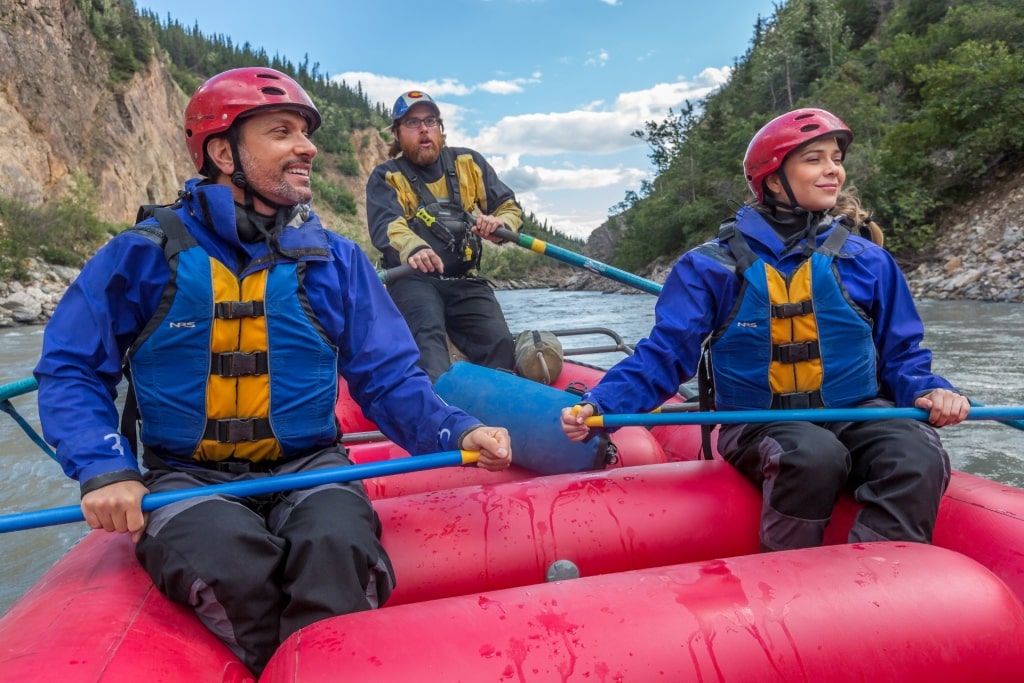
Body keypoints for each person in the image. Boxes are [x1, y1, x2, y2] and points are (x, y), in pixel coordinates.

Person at [33, 67, 511, 675]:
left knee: (337, 547)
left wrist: (456, 430)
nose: (307, 147)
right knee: (231, 565)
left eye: (306, 133)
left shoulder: (335, 260)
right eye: (282, 132)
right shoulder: (143, 255)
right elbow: (73, 367)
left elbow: (389, 378)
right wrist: (103, 468)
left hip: (311, 464)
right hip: (186, 477)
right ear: (221, 153)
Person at [562, 107, 969, 552]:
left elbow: (903, 353)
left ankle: (878, 576)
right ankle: (790, 572)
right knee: (812, 455)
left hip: (857, 411)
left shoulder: (868, 261)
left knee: (917, 453)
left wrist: (928, 388)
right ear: (774, 180)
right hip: (758, 425)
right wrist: (602, 405)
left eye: (835, 158)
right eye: (814, 159)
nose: (833, 170)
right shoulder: (709, 267)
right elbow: (665, 354)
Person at [366, 90, 523, 382]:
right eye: (412, 123)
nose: (424, 129)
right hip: (412, 279)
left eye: (430, 121)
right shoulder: (385, 176)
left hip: (464, 279)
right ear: (398, 134)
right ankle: (438, 418)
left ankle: (493, 415)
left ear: (440, 129)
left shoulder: (469, 163)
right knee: (428, 347)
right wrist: (415, 247)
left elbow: (508, 206)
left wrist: (501, 223)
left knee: (499, 341)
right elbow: (387, 224)